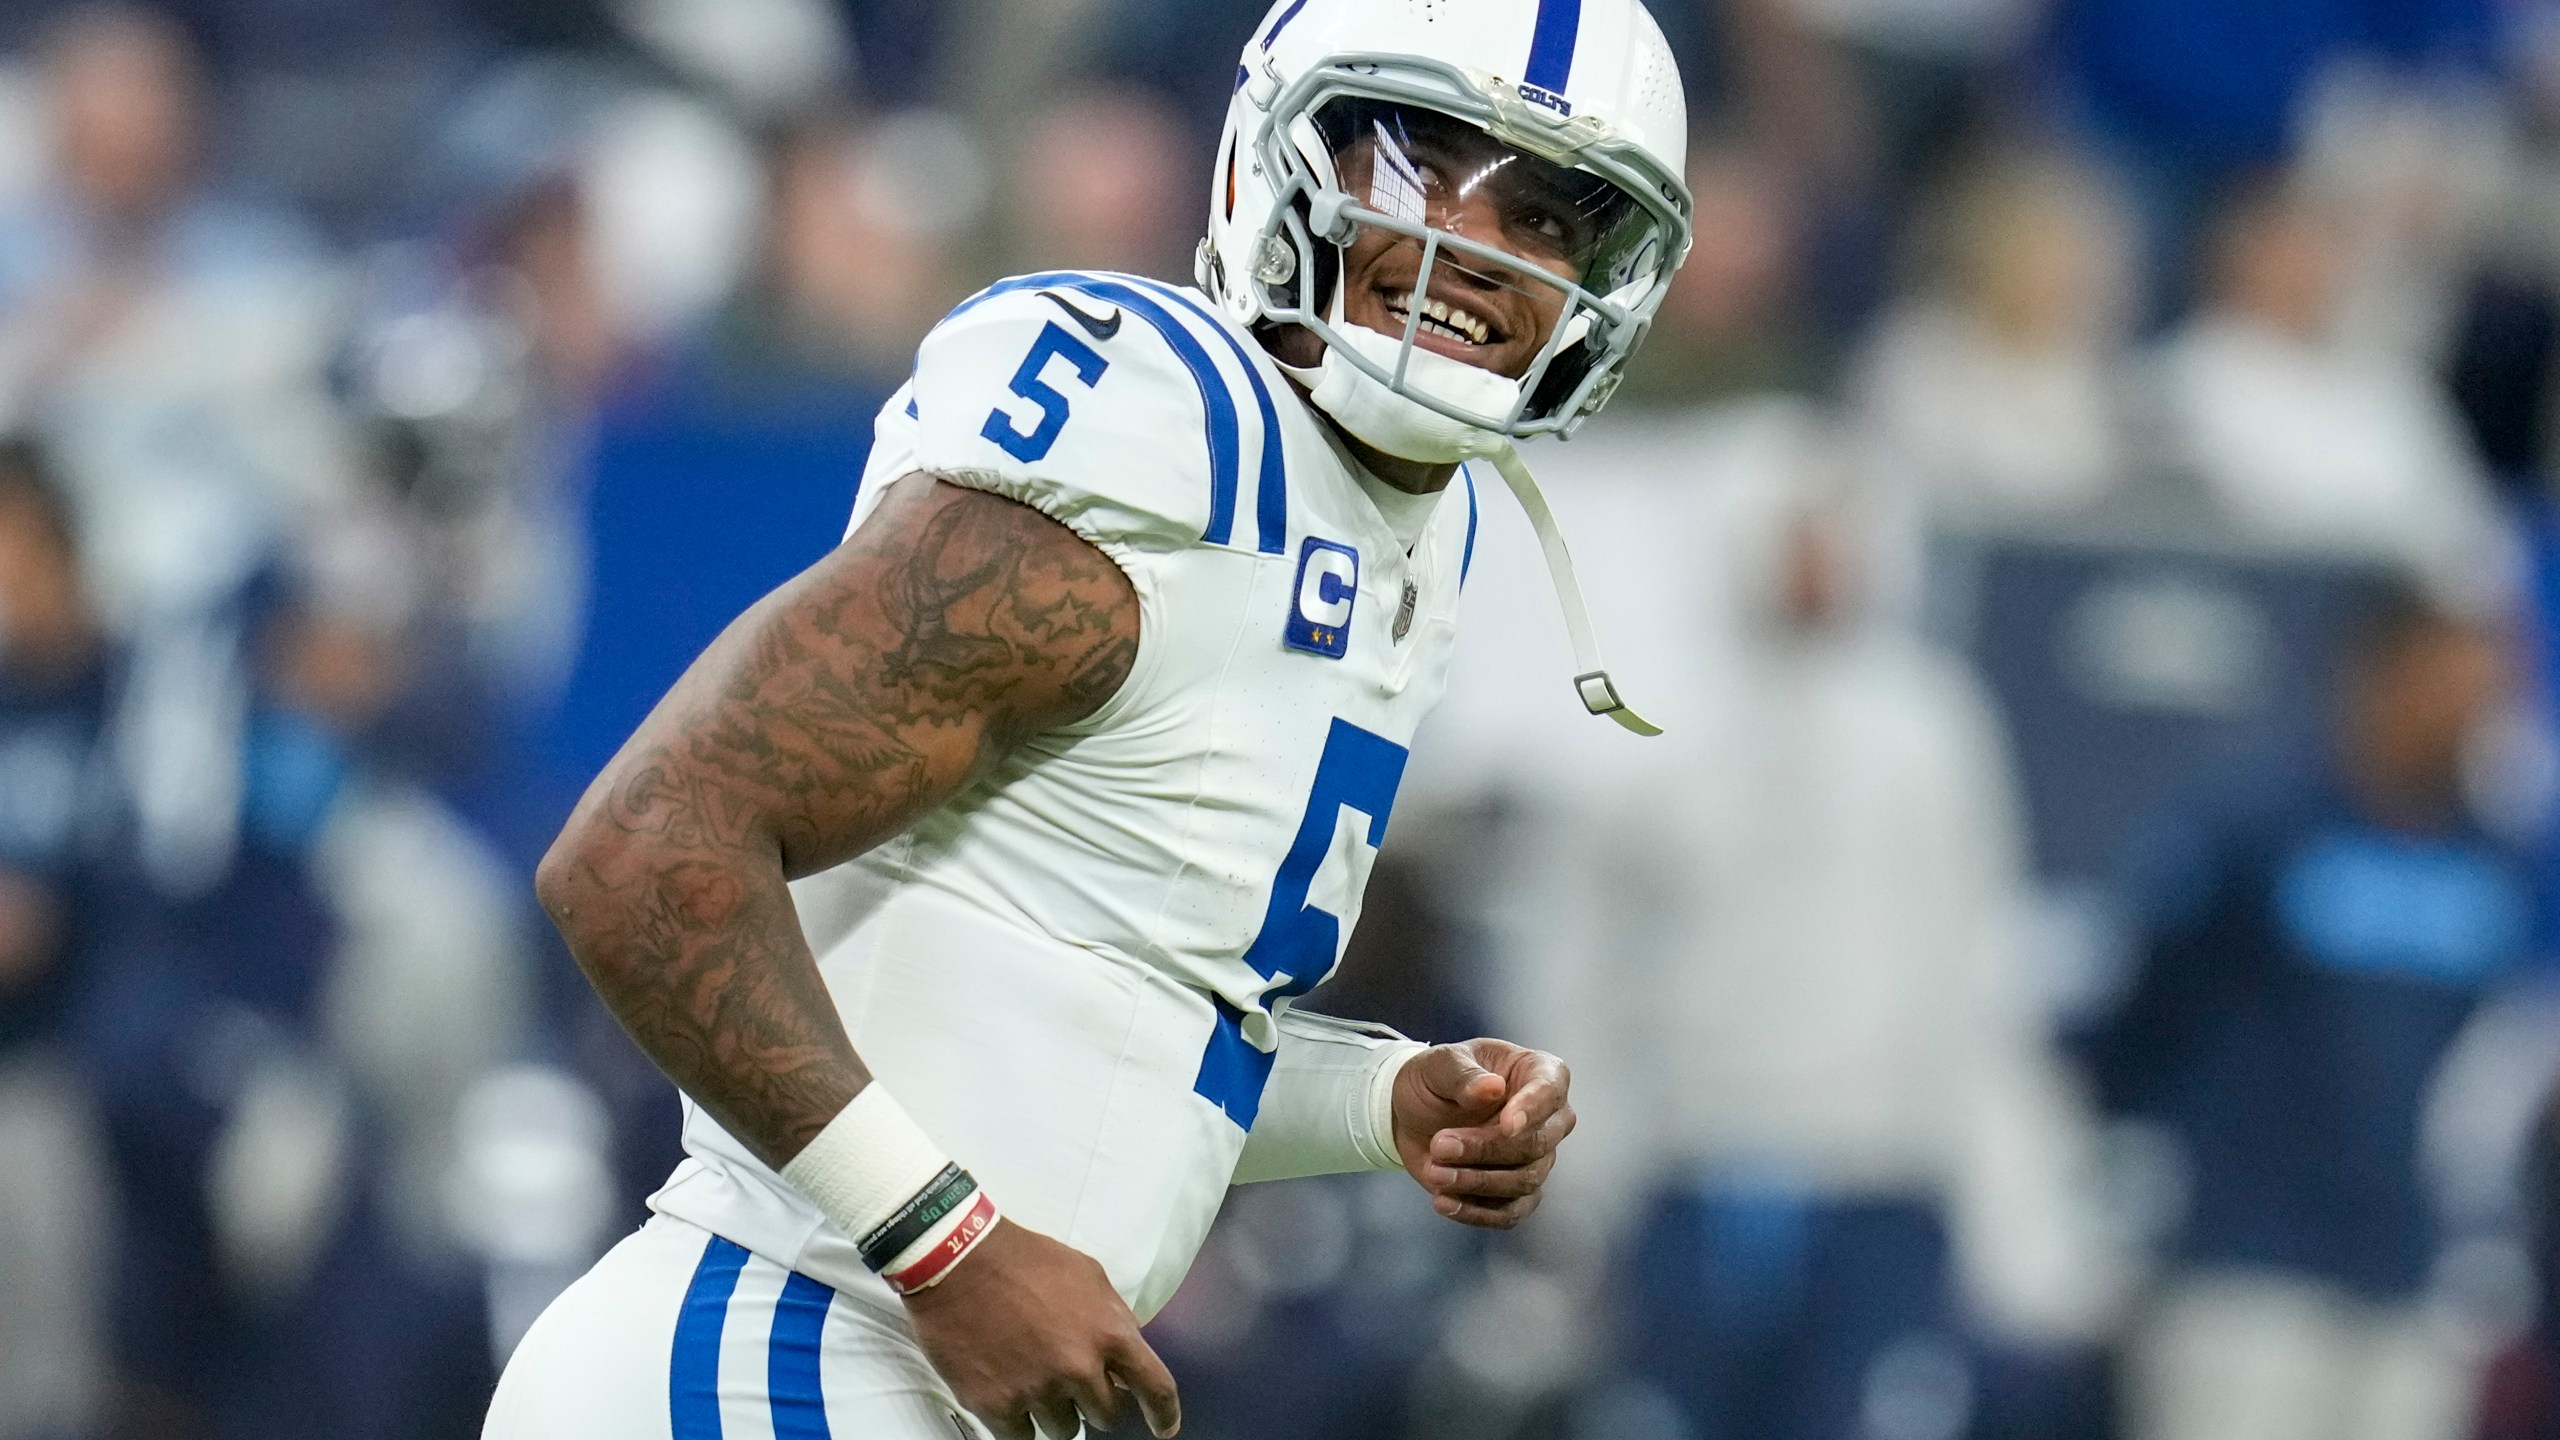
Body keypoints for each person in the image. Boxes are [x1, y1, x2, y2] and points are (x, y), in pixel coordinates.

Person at [484, 2, 1697, 1439]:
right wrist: (949, 1251)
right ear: (1275, 161)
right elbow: (641, 855)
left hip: (905, 1374)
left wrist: (1387, 1100)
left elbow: (1122, 1026)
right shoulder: (1171, 427)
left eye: (1556, 214)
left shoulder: (1413, 540)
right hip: (776, 1353)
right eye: (1422, 162)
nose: (1483, 246)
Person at [2085, 584, 2539, 1440]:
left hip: (2407, 1267)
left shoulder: (2496, 859)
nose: (2474, 711)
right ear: (2381, 677)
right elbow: (2146, 1012)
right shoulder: (2257, 827)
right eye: (2453, 683)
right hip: (2248, 1258)